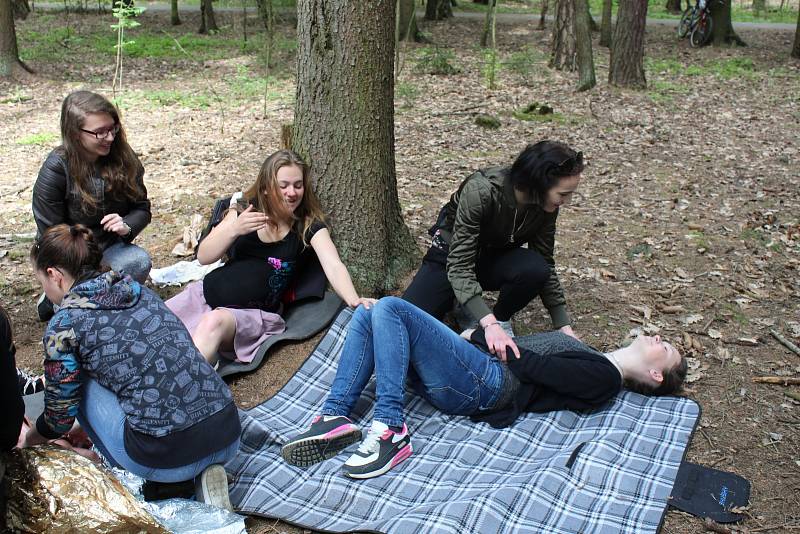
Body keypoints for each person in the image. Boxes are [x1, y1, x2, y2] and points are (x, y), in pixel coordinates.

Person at [281, 297, 687, 479]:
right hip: (474, 372)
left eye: (664, 349)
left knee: (391, 308)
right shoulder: (594, 357)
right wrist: (483, 335)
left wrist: (481, 336)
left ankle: (391, 429)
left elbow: (536, 369)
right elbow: (530, 353)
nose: (656, 339)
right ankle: (335, 416)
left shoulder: (604, 378)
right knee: (370, 314)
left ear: (656, 375)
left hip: (489, 383)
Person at [22, 224, 241, 510]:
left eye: (43, 283)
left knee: (74, 377)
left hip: (163, 455)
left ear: (55, 275)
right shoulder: (139, 290)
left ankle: (169, 485)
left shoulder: (65, 324)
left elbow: (58, 416)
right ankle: (201, 473)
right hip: (226, 432)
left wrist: (30, 439)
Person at [166, 149, 375, 365]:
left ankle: (186, 385)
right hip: (204, 295)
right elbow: (203, 257)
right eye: (283, 185)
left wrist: (353, 299)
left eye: (298, 185)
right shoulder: (245, 212)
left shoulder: (307, 226)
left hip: (246, 317)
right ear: (266, 188)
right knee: (153, 323)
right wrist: (234, 229)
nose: (292, 192)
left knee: (212, 323)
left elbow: (333, 264)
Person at [403, 140, 584, 362]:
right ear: (538, 183)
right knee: (408, 321)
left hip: (492, 259)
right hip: (451, 258)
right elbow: (459, 265)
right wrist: (488, 324)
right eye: (563, 194)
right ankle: (467, 306)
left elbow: (545, 261)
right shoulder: (482, 191)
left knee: (535, 269)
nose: (567, 201)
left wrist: (563, 325)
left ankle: (495, 318)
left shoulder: (546, 205)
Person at [32, 91, 152, 320]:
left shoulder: (124, 157)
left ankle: (91, 300)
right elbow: (50, 234)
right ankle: (55, 297)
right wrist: (85, 270)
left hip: (109, 247)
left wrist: (126, 226)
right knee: (85, 293)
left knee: (138, 261)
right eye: (99, 132)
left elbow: (142, 208)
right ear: (76, 134)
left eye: (113, 128)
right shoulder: (57, 168)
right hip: (67, 256)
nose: (109, 137)